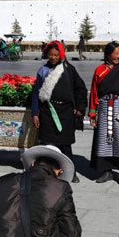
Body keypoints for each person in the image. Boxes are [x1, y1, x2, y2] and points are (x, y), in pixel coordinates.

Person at [32, 41, 88, 183]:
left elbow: (80, 89)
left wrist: (80, 108)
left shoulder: (68, 69)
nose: (53, 57)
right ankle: (48, 172)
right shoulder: (42, 71)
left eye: (56, 55)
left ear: (61, 55)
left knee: (65, 145)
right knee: (48, 146)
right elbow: (36, 94)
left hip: (65, 113)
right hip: (47, 112)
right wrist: (35, 113)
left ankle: (71, 172)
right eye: (50, 54)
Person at [89, 41, 119, 185]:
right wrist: (92, 114)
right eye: (115, 54)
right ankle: (106, 171)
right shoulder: (99, 71)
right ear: (108, 55)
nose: (118, 56)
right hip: (104, 108)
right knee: (104, 140)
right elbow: (93, 93)